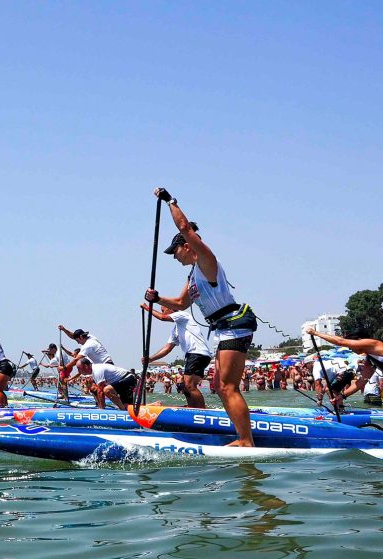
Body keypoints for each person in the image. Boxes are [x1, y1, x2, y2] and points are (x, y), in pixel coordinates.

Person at [145, 188, 255, 447]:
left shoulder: (206, 260)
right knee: (219, 384)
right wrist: (157, 298)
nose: (174, 256)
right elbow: (181, 303)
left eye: (175, 251)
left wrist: (170, 201)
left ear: (187, 246)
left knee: (227, 386)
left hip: (234, 324)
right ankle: (240, 433)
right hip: (223, 329)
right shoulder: (193, 275)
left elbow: (184, 226)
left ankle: (245, 440)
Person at [141, 303, 212, 408]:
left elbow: (162, 317)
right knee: (185, 386)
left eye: (163, 310)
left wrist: (148, 308)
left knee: (189, 385)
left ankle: (202, 410)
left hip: (198, 353)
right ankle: (192, 407)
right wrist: (150, 359)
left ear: (170, 309)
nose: (162, 312)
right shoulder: (176, 329)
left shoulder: (183, 315)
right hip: (192, 355)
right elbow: (167, 348)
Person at [64, 358, 138, 410]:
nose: (78, 371)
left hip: (129, 379)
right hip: (123, 382)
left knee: (106, 390)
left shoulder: (97, 370)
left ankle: (122, 410)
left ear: (86, 366)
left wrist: (101, 409)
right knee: (128, 406)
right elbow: (97, 390)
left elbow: (100, 392)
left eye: (79, 368)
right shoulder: (94, 371)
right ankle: (125, 410)